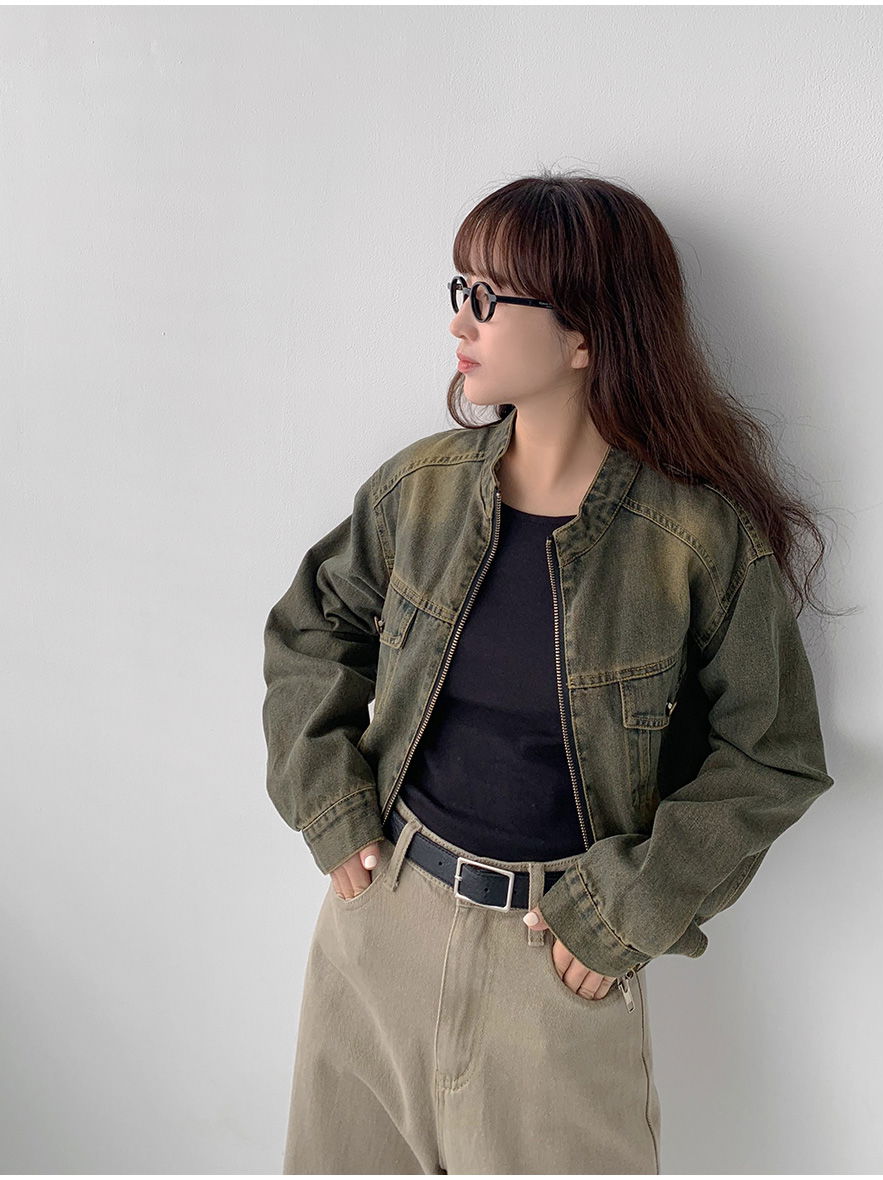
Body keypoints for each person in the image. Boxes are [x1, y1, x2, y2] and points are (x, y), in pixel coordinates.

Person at [262, 170, 836, 1175]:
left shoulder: (694, 544)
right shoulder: (421, 492)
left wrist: (628, 910)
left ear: (584, 335)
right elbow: (312, 628)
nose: (460, 321)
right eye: (460, 290)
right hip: (379, 932)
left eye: (489, 298)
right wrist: (331, 805)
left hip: (557, 964)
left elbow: (772, 757)